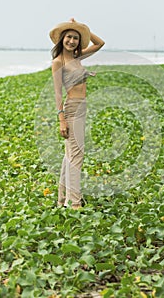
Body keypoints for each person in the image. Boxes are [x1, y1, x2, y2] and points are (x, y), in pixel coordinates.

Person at [49, 18, 105, 209]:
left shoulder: (77, 57)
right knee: (77, 155)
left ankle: (62, 199)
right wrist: (61, 119)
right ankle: (74, 203)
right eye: (68, 37)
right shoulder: (58, 62)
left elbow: (100, 44)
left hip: (82, 108)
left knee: (70, 155)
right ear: (61, 39)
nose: (71, 41)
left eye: (75, 38)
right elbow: (57, 93)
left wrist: (83, 27)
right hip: (72, 108)